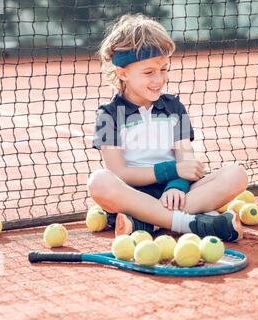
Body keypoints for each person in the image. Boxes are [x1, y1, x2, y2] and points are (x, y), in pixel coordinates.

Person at [88, 14, 248, 242]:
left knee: (236, 174)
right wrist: (172, 171)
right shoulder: (107, 115)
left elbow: (187, 162)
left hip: (177, 193)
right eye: (149, 72)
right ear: (123, 73)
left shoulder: (174, 107)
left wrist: (177, 185)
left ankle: (147, 222)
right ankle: (190, 223)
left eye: (163, 69)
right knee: (99, 182)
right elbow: (119, 173)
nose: (159, 79)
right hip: (133, 195)